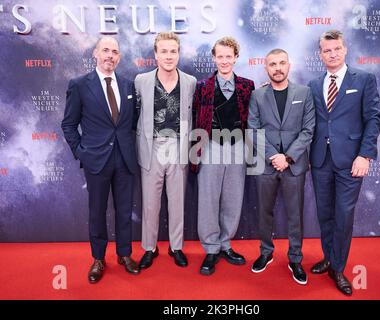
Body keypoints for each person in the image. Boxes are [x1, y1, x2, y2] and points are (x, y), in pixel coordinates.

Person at [308, 30, 380, 295]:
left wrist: (365, 155)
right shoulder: (314, 85)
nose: (333, 54)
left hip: (351, 160)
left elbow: (373, 119)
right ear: (321, 54)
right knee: (325, 214)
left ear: (345, 49)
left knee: (343, 215)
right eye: (327, 50)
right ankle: (329, 257)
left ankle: (338, 268)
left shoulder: (364, 79)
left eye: (337, 49)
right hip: (320, 160)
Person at [61, 36, 140, 284]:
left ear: (119, 57)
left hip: (125, 159)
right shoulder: (80, 85)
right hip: (96, 160)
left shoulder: (128, 86)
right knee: (97, 212)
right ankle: (98, 258)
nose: (110, 55)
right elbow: (69, 124)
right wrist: (81, 151)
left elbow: (132, 123)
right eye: (105, 50)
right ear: (95, 53)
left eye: (114, 52)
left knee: (125, 211)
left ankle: (125, 254)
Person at [248, 49, 315, 285]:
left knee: (295, 214)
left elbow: (308, 131)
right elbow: (253, 129)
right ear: (266, 68)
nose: (278, 68)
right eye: (273, 64)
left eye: (282, 63)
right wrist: (273, 156)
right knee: (264, 211)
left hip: (293, 165)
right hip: (266, 164)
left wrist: (287, 157)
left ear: (289, 65)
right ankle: (265, 253)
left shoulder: (304, 93)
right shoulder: (257, 95)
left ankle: (295, 258)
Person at [192, 37, 255, 276]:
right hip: (210, 147)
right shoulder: (203, 87)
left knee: (233, 197)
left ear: (236, 57)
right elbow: (196, 119)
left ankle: (225, 244)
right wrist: (194, 153)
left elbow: (253, 120)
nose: (225, 60)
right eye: (220, 56)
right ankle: (210, 247)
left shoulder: (248, 86)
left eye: (229, 56)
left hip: (238, 146)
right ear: (214, 58)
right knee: (208, 198)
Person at [135, 32, 196, 269]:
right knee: (150, 203)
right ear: (155, 54)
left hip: (179, 146)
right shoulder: (142, 80)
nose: (169, 56)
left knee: (177, 201)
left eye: (173, 51)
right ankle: (149, 248)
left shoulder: (189, 82)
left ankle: (176, 247)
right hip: (152, 147)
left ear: (178, 53)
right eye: (164, 51)